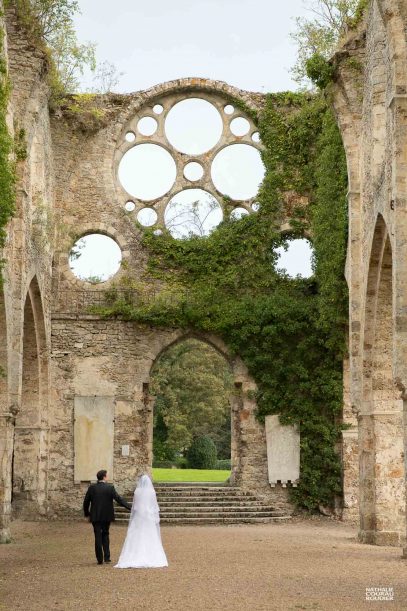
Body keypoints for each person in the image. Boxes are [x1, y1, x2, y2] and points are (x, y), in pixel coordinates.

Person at [115, 474, 168, 569]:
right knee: (150, 535)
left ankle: (134, 555)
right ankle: (151, 555)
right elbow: (154, 506)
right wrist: (154, 516)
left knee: (137, 535)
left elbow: (135, 506)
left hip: (139, 516)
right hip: (148, 517)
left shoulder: (137, 491)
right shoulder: (151, 492)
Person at [83, 469, 131, 565]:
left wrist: (87, 513)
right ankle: (107, 557)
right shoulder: (110, 488)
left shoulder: (92, 488)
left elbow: (86, 502)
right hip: (106, 515)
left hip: (95, 515)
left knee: (97, 536)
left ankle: (99, 559)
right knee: (105, 534)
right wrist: (130, 507)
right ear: (104, 477)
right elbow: (119, 499)